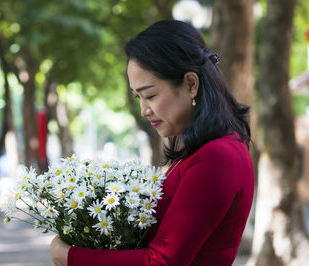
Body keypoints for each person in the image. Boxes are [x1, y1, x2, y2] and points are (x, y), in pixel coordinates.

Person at [50, 19, 254, 266]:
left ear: (191, 84)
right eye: (138, 98)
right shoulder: (201, 152)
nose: (144, 110)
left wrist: (71, 257)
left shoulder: (217, 156)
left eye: (150, 95)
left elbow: (161, 261)